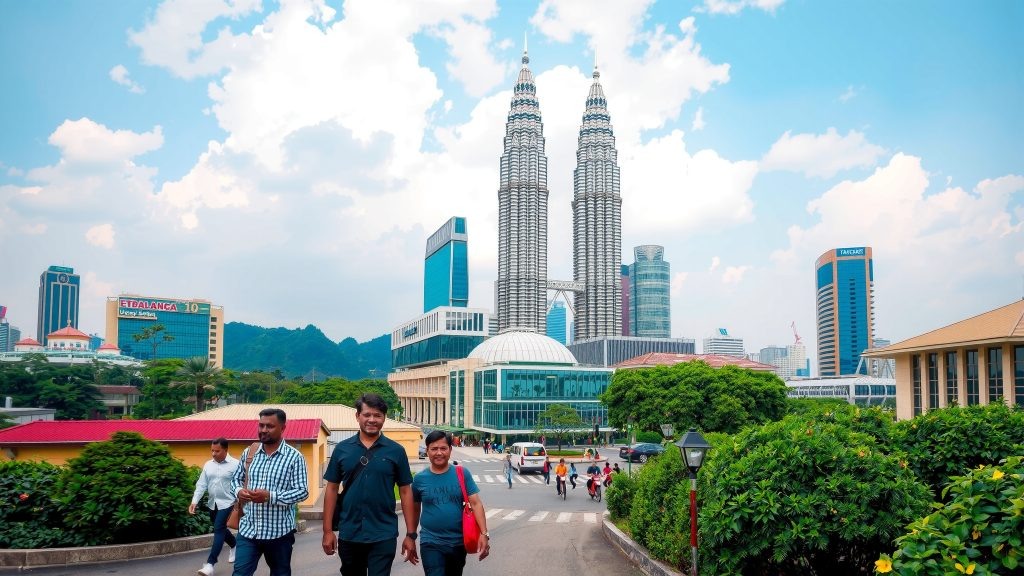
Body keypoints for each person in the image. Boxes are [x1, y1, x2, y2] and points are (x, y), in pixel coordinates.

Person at [322, 394, 416, 576]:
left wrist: (410, 535)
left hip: (383, 533)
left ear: (384, 418)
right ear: (358, 416)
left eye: (377, 415)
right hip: (350, 532)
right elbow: (332, 489)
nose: (372, 420)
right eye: (367, 415)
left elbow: (405, 491)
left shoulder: (396, 451)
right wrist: (327, 531)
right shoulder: (342, 449)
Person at [231, 408, 309, 576]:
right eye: (261, 425)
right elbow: (235, 480)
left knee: (280, 573)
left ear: (282, 428)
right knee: (240, 573)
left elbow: (302, 492)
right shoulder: (249, 452)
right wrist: (239, 491)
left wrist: (270, 496)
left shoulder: (294, 457)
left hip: (279, 533)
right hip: (248, 530)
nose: (264, 430)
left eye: (270, 426)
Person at [405, 431, 490, 575]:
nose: (439, 453)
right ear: (427, 451)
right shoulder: (420, 479)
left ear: (450, 450)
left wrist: (484, 534)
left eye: (443, 448)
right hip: (430, 541)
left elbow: (476, 503)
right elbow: (415, 509)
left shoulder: (462, 473)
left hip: (458, 542)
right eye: (434, 449)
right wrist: (410, 536)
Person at [190, 437, 239, 576]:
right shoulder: (208, 465)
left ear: (225, 450)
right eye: (212, 450)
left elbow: (242, 483)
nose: (213, 453)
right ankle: (234, 545)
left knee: (218, 529)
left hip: (228, 503)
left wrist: (239, 501)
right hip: (213, 503)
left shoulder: (235, 464)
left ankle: (210, 565)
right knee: (220, 529)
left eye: (217, 451)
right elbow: (201, 484)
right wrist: (195, 501)